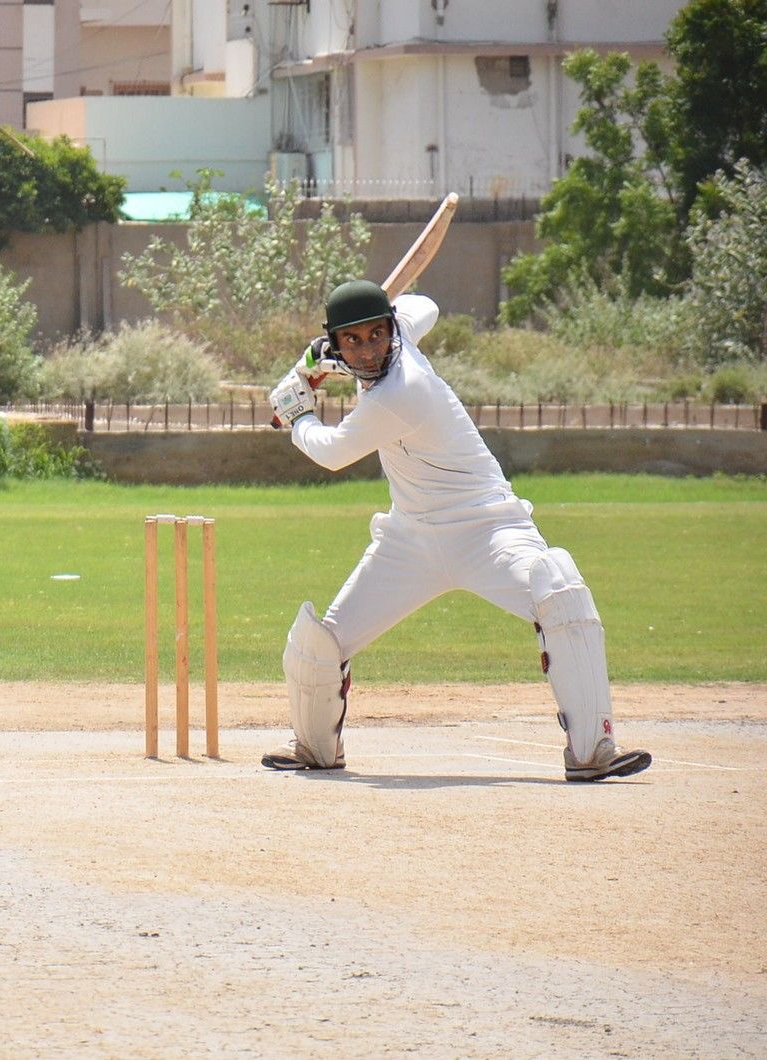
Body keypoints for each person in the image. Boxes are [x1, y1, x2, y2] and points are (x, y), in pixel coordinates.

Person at [264, 280, 650, 782]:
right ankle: (315, 748)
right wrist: (354, 337)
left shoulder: (402, 390)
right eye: (353, 340)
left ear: (391, 331)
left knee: (559, 588)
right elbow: (424, 303)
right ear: (335, 343)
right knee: (318, 644)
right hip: (409, 540)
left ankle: (593, 749)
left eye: (377, 334)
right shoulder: (401, 331)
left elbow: (333, 451)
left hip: (487, 528)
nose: (369, 349)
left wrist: (298, 415)